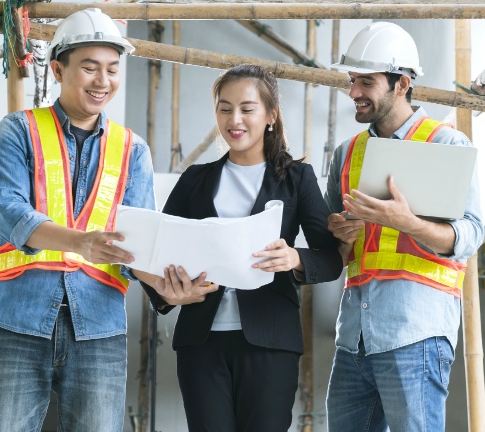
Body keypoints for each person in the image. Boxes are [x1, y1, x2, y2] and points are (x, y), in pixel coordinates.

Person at [135, 64, 343, 432]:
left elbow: (329, 259)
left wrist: (294, 257)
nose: (235, 119)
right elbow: (158, 251)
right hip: (201, 342)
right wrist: (170, 293)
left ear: (270, 115)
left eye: (247, 109)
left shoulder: (297, 178)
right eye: (225, 108)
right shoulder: (195, 179)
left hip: (271, 342)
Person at [0, 7, 155, 431]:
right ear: (57, 69)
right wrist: (82, 243)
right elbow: (13, 217)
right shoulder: (18, 132)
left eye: (112, 69)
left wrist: (170, 285)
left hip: (99, 330)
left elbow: (141, 243)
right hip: (16, 322)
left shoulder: (133, 150)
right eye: (89, 67)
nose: (103, 81)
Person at [324, 22, 483, 431]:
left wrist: (406, 222)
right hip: (354, 339)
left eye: (367, 82)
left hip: (417, 333)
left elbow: (468, 236)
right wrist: (341, 239)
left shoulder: (446, 144)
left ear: (402, 84)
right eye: (352, 80)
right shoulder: (346, 153)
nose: (354, 91)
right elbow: (339, 257)